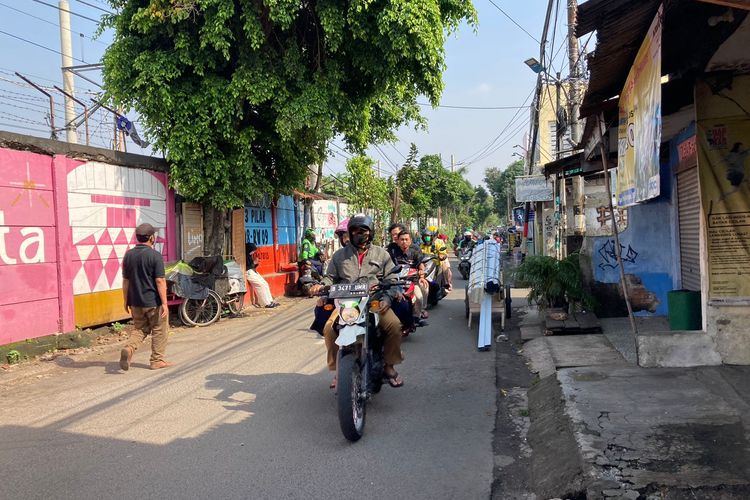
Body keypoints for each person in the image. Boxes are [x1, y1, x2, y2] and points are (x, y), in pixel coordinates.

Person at [310, 214, 405, 389]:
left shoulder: (381, 254)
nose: (358, 234)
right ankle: (338, 371)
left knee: (394, 325)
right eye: (354, 231)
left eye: (363, 231)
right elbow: (330, 278)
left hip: (374, 302)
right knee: (329, 330)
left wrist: (387, 298)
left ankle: (389, 366)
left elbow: (392, 278)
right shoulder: (339, 256)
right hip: (346, 304)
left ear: (371, 232)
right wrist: (320, 286)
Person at [119, 223, 172, 371]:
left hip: (135, 301)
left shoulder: (128, 255)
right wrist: (165, 303)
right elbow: (160, 280)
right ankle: (157, 360)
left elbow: (126, 280)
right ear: (151, 238)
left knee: (139, 329)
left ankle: (129, 348)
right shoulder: (155, 256)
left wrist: (126, 300)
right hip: (153, 302)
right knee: (160, 329)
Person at [391, 230, 430, 323]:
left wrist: (421, 275)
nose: (404, 242)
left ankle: (416, 316)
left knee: (419, 297)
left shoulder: (415, 251)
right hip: (396, 282)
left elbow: (420, 263)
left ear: (410, 241)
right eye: (402, 239)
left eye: (406, 239)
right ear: (398, 241)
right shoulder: (392, 252)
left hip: (412, 281)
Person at [246, 242, 279, 308]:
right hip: (248, 272)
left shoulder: (249, 256)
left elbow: (252, 266)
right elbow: (246, 267)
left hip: (253, 271)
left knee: (265, 284)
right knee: (260, 285)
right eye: (252, 251)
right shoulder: (244, 256)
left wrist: (256, 263)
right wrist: (253, 263)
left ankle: (270, 301)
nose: (253, 252)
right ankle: (266, 303)